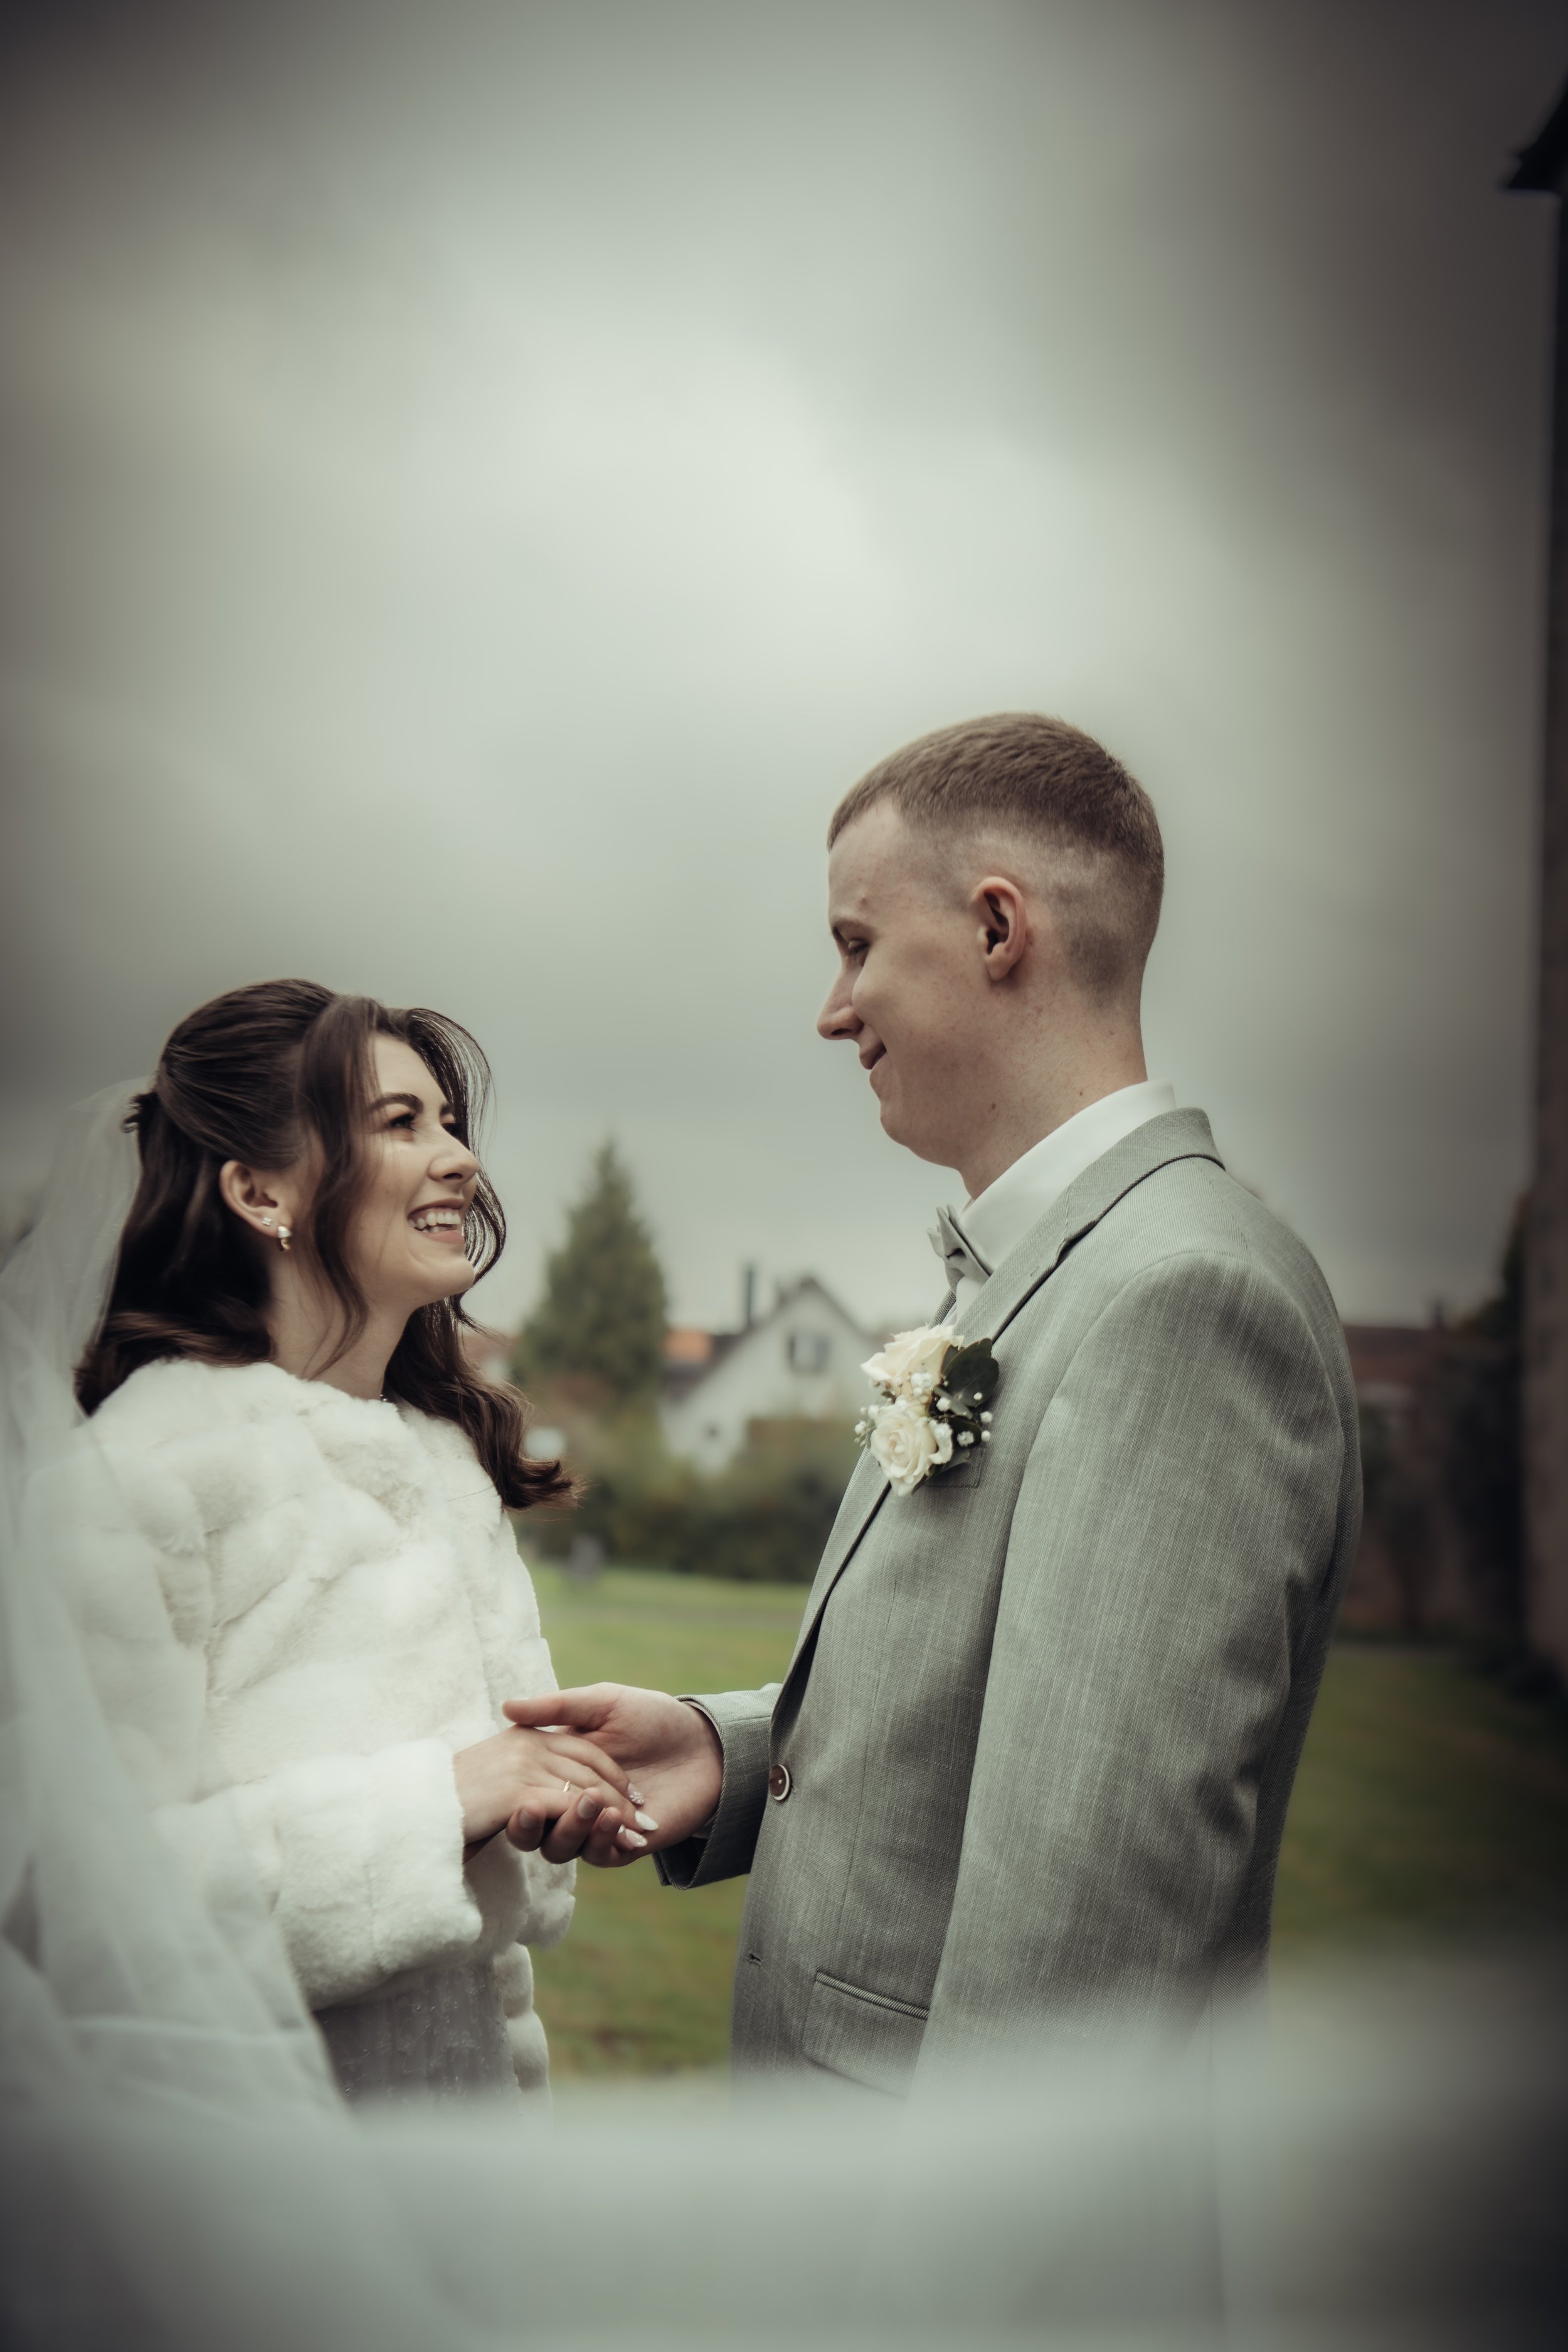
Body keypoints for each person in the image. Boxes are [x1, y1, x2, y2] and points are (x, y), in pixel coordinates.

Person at [509, 712, 1362, 2095]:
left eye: (854, 943)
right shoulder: (1048, 1270)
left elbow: (1079, 1940)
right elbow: (1000, 1714)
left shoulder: (1177, 1301)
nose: (830, 1008)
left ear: (995, 928)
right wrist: (737, 1755)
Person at [61, 978, 650, 2102]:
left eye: (450, 1123)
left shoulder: (444, 1465)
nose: (461, 1159)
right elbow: (84, 1914)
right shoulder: (140, 1478)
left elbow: (488, 1919)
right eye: (400, 1123)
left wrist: (550, 1801)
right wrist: (444, 1801)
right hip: (233, 2178)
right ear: (258, 1191)